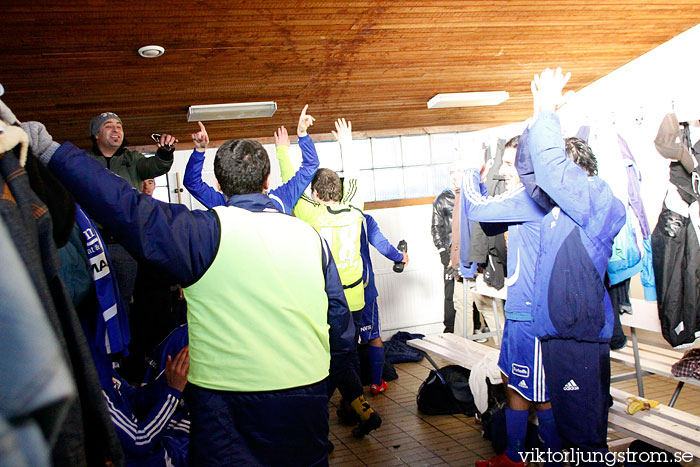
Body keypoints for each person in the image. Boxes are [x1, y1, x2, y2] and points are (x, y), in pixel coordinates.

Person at [25, 116, 356, 466]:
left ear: (220, 184)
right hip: (306, 395)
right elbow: (339, 321)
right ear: (268, 181)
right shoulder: (310, 238)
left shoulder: (202, 233)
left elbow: (126, 206)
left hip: (225, 403)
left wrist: (50, 150)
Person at [526, 67, 626, 464]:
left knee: (584, 442)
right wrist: (538, 114)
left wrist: (549, 112)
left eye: (560, 171)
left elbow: (550, 169)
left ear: (576, 170)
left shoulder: (595, 197)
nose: (552, 181)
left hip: (576, 339)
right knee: (574, 435)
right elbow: (534, 171)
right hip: (562, 338)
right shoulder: (562, 208)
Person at [461, 133, 561, 467]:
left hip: (533, 312)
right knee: (513, 378)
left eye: (508, 163)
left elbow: (477, 208)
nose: (503, 171)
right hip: (519, 307)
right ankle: (515, 454)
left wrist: (471, 172)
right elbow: (489, 225)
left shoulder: (531, 196)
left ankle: (554, 456)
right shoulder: (523, 195)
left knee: (541, 391)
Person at [291, 118, 383, 438]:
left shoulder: (310, 212)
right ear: (340, 191)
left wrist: (284, 146)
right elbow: (356, 177)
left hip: (327, 301)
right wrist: (346, 141)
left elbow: (293, 185)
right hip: (356, 297)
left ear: (316, 193)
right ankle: (356, 409)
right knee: (348, 355)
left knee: (329, 360)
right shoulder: (355, 209)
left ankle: (320, 421)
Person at [86, 112, 176, 314]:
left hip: (124, 242)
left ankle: (121, 344)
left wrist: (164, 153)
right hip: (94, 243)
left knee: (124, 299)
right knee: (94, 299)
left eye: (119, 126)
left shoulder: (132, 159)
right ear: (96, 134)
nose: (116, 129)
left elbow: (155, 165)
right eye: (109, 126)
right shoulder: (84, 161)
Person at [183, 106, 318, 214]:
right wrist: (302, 134)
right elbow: (310, 166)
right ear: (267, 181)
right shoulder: (281, 201)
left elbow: (192, 182)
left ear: (219, 185)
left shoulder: (221, 206)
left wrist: (199, 150)